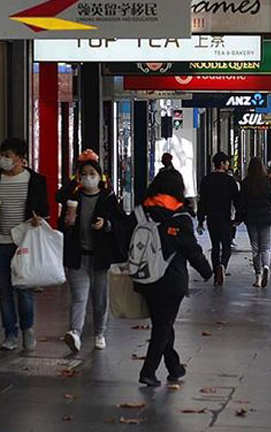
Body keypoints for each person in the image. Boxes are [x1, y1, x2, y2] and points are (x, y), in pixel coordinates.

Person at [134, 169, 213, 387]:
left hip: (146, 277)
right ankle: (148, 371)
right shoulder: (180, 216)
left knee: (162, 322)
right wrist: (207, 270)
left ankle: (174, 366)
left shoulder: (142, 211)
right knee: (163, 326)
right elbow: (191, 249)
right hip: (171, 280)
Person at [0, 137, 50, 352]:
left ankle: (27, 329)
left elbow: (44, 209)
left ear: (20, 158)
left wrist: (39, 219)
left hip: (24, 242)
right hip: (0, 241)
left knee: (23, 288)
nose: (4, 159)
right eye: (2, 155)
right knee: (4, 290)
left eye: (8, 156)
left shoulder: (35, 180)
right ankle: (10, 333)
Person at [59, 159, 125, 353]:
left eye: (92, 173)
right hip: (77, 256)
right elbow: (58, 204)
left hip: (100, 257)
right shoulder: (73, 198)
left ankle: (99, 333)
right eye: (84, 174)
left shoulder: (108, 198)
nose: (88, 177)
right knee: (79, 298)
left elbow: (120, 223)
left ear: (99, 176)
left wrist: (106, 225)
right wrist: (67, 223)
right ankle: (75, 333)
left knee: (99, 299)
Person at [197, 152, 240, 286]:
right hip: (225, 218)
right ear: (221, 163)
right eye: (227, 162)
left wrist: (200, 219)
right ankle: (223, 266)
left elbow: (202, 201)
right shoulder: (229, 180)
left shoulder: (206, 180)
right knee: (226, 246)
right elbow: (237, 199)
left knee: (215, 246)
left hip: (211, 218)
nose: (228, 165)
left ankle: (216, 274)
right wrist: (239, 217)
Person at [237, 158, 271, 288]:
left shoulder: (246, 183)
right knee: (266, 246)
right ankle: (266, 266)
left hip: (251, 219)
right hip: (266, 218)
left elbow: (241, 203)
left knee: (255, 248)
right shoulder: (268, 181)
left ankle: (258, 276)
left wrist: (239, 218)